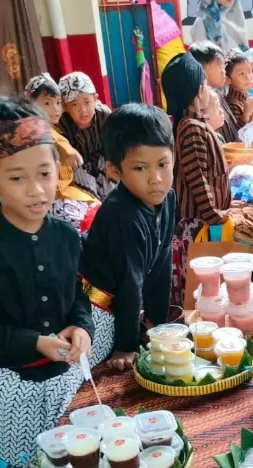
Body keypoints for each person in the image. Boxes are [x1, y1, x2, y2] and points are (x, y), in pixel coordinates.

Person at [0, 97, 95, 468]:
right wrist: (32, 342)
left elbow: (76, 294)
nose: (37, 190)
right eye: (16, 178)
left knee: (76, 461)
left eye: (44, 174)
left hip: (66, 376)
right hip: (11, 381)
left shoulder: (65, 235)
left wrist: (82, 326)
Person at [81, 105, 177, 372]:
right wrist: (127, 344)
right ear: (114, 170)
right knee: (102, 371)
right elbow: (129, 281)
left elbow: (161, 262)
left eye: (163, 164)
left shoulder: (167, 198)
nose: (156, 179)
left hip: (126, 305)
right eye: (140, 168)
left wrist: (158, 322)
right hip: (95, 308)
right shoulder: (121, 213)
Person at [163, 53, 232, 308]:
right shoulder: (190, 128)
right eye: (204, 84)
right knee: (199, 288)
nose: (208, 88)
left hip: (205, 221)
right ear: (196, 92)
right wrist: (215, 215)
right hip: (196, 225)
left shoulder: (198, 124)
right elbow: (197, 178)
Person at [25, 73, 100, 233]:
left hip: (67, 190)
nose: (55, 109)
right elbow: (56, 141)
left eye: (58, 102)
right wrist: (69, 151)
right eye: (47, 103)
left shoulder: (54, 126)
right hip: (52, 197)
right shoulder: (35, 129)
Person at [57, 71, 116, 201]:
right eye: (74, 105)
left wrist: (111, 161)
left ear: (95, 99)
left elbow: (114, 140)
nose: (83, 110)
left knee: (111, 191)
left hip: (102, 159)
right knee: (89, 194)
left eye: (87, 102)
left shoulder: (104, 115)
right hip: (78, 165)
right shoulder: (62, 122)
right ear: (65, 107)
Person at [189, 41, 241, 144]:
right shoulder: (203, 104)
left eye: (223, 66)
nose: (224, 72)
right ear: (201, 71)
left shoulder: (218, 95)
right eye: (219, 68)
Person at [224, 49, 253, 128]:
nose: (247, 77)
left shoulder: (246, 95)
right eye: (241, 74)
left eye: (249, 71)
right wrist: (246, 114)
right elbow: (236, 133)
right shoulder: (232, 103)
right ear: (228, 79)